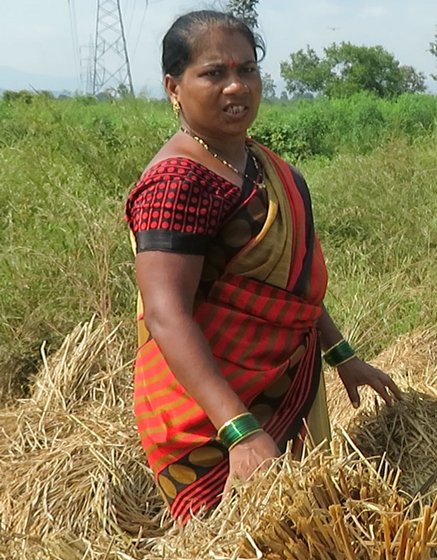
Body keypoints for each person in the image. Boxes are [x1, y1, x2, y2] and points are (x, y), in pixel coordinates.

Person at [125, 10, 401, 524]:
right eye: (213, 73)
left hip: (287, 383)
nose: (236, 86)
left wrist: (342, 355)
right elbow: (166, 315)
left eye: (247, 70)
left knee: (306, 533)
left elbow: (288, 295)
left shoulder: (265, 167)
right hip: (208, 421)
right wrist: (240, 430)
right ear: (174, 86)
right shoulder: (177, 183)